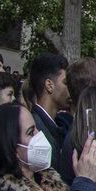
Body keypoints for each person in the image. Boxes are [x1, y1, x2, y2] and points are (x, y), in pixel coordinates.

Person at [27, 52, 73, 180]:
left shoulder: (56, 125)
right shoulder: (34, 129)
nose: (70, 89)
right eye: (65, 83)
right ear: (49, 85)